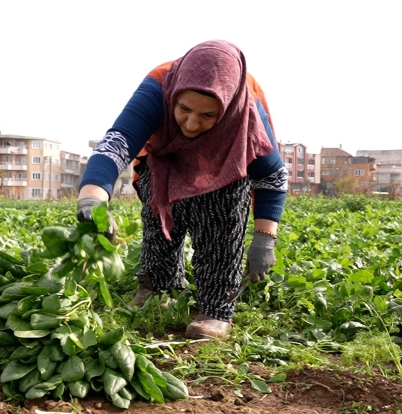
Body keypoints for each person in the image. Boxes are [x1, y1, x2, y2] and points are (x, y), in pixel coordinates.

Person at [75, 40, 288, 339]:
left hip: (224, 165)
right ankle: (156, 287)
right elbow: (115, 145)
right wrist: (92, 201)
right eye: (184, 109)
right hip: (165, 160)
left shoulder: (246, 112)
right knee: (159, 224)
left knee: (220, 223)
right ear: (174, 97)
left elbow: (272, 176)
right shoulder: (158, 89)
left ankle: (215, 307)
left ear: (227, 108)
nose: (191, 123)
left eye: (207, 115)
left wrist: (264, 240)